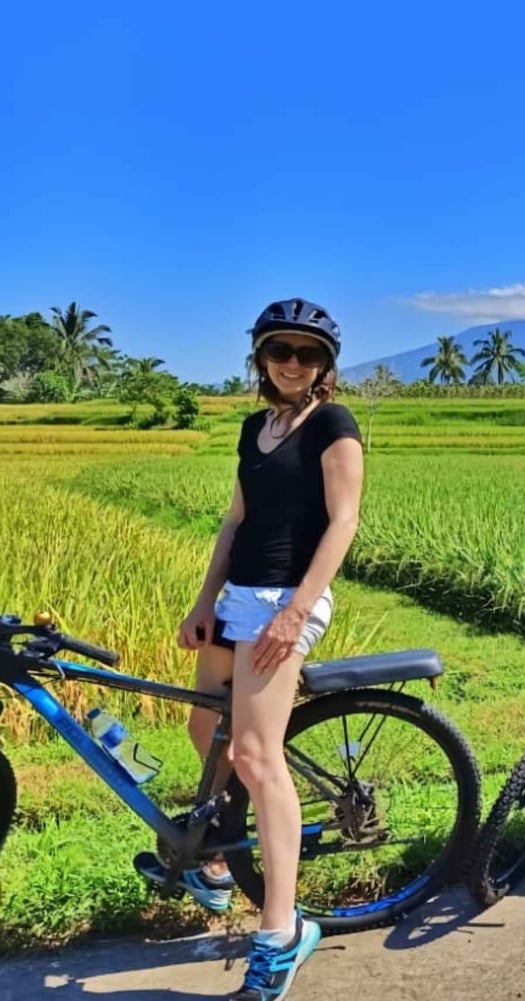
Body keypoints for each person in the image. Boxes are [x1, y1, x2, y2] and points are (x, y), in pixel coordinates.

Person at [137, 298, 364, 999]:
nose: (292, 362)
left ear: (325, 363)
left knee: (260, 759)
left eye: (306, 352)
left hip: (286, 600)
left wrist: (298, 610)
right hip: (239, 596)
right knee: (205, 725)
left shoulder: (334, 424)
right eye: (279, 350)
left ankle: (282, 928)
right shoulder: (253, 428)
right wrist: (205, 600)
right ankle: (216, 859)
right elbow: (235, 519)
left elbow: (345, 520)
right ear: (261, 357)